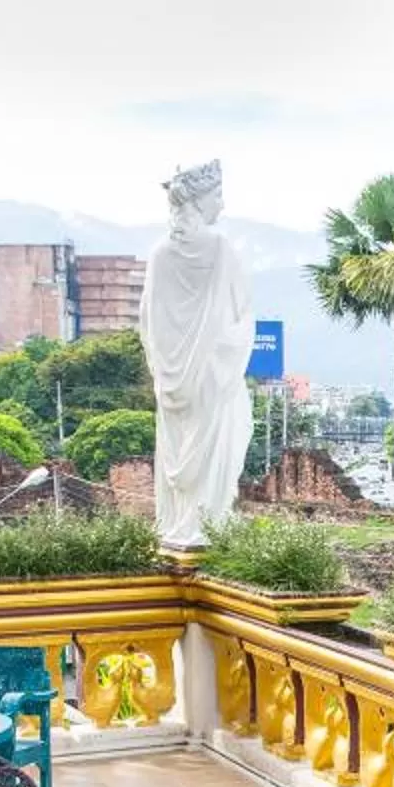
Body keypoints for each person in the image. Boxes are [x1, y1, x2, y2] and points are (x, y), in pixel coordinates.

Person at [140, 160, 256, 549]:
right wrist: (221, 347)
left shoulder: (158, 254)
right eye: (218, 195)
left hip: (172, 382)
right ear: (201, 199)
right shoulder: (221, 248)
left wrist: (165, 366)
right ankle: (206, 525)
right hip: (212, 374)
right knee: (223, 445)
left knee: (181, 453)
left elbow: (148, 323)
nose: (222, 205)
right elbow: (242, 315)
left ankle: (181, 525)